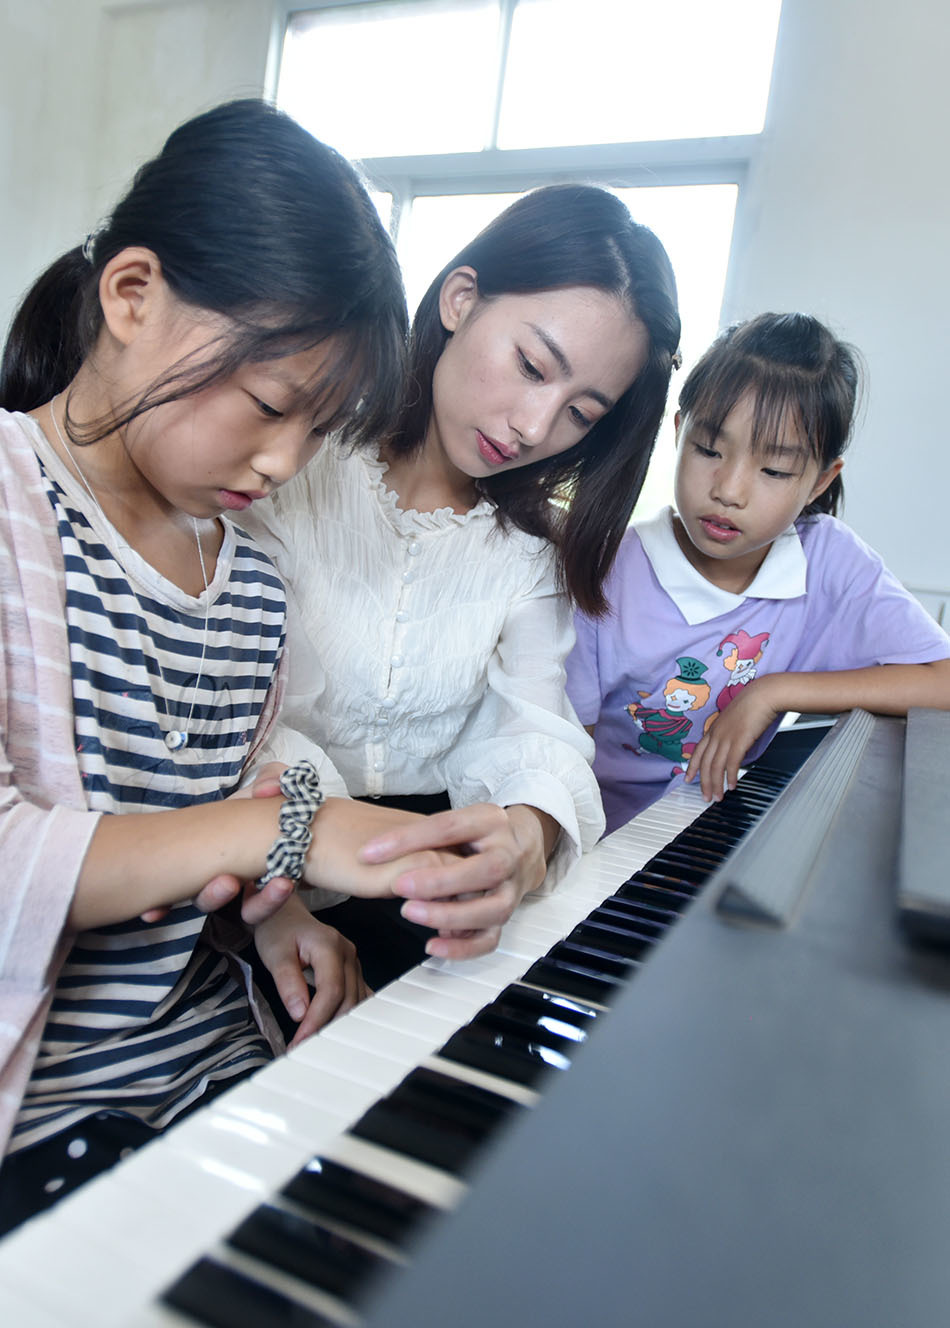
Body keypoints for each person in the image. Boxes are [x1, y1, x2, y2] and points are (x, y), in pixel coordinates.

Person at [0, 96, 458, 1230]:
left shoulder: (250, 581)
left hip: (218, 1074)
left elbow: (260, 776)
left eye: (320, 428)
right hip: (53, 1122)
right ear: (132, 295)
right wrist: (276, 834)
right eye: (267, 403)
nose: (283, 459)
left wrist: (279, 904)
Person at [242, 184, 681, 976]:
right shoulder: (288, 465)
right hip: (256, 861)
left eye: (582, 413)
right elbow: (236, 709)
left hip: (429, 881)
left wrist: (526, 835)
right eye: (531, 365)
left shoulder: (525, 552)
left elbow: (533, 729)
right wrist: (291, 878)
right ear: (460, 298)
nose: (535, 427)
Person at [566, 312, 950, 835]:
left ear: (819, 481)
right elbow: (560, 758)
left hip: (712, 837)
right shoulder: (606, 569)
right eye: (708, 450)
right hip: (598, 844)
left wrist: (771, 691)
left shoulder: (829, 563)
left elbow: (942, 682)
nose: (729, 489)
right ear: (679, 433)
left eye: (773, 470)